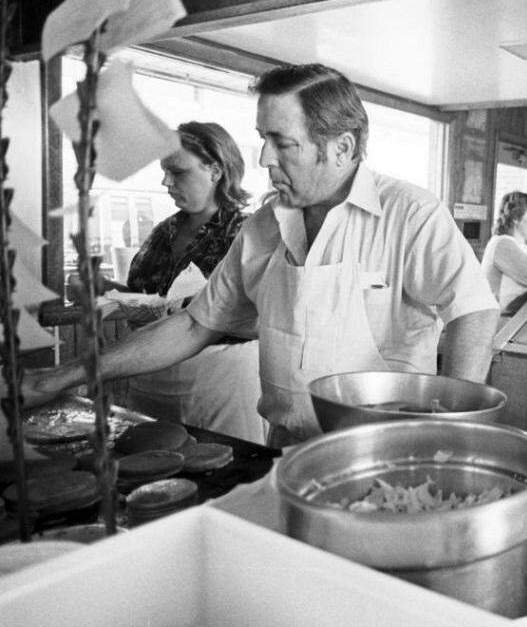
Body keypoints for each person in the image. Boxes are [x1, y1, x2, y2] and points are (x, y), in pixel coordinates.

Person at [26, 64, 500, 447]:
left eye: (283, 143)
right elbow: (195, 323)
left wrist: (453, 435)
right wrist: (65, 375)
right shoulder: (264, 226)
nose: (263, 159)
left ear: (342, 147)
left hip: (387, 456)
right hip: (286, 451)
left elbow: (473, 312)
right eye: (263, 138)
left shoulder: (409, 214)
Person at [113, 122, 264, 442]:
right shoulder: (163, 232)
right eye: (164, 171)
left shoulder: (250, 232)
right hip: (149, 371)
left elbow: (260, 315)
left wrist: (198, 308)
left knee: (222, 467)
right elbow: (148, 296)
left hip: (218, 379)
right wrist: (107, 291)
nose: (166, 181)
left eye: (177, 171)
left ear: (215, 170)